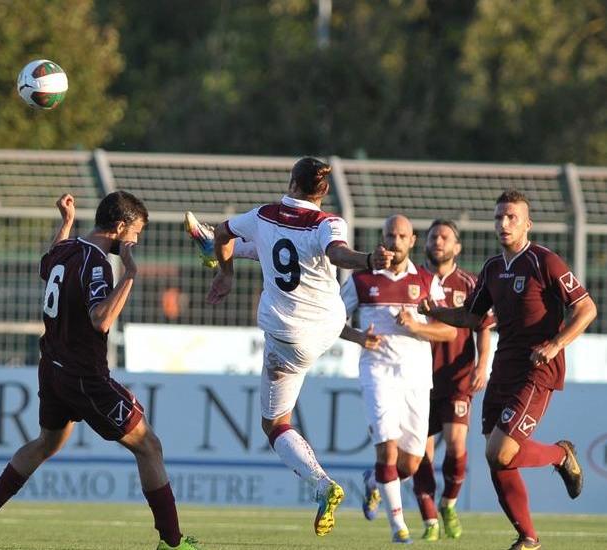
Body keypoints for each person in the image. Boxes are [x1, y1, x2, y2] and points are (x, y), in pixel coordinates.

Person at [0, 192, 201, 550]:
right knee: (149, 447)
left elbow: (47, 263)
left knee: (47, 443)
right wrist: (132, 274)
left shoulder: (67, 249)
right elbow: (101, 319)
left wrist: (66, 222)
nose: (135, 241)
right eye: (135, 232)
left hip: (53, 368)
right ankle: (172, 543)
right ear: (120, 227)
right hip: (83, 375)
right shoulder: (98, 264)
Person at [191, 156, 394, 537]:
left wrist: (225, 272)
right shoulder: (330, 222)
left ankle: (322, 484)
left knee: (274, 424)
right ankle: (215, 249)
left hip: (288, 338)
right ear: (325, 191)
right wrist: (368, 259)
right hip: (329, 325)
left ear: (292, 183)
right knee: (263, 249)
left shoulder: (264, 214)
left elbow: (223, 232)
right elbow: (337, 254)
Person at [421, 190, 594, 550]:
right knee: (496, 458)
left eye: (511, 217)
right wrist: (432, 311)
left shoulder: (544, 262)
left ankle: (561, 454)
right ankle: (528, 538)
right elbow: (471, 317)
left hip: (538, 368)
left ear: (527, 224)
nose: (503, 223)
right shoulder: (493, 269)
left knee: (500, 452)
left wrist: (555, 344)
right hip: (504, 369)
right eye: (499, 217)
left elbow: (587, 308)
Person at [339, 214, 456, 544]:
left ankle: (374, 483)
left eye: (402, 236)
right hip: (377, 373)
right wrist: (359, 337)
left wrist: (417, 326)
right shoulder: (362, 279)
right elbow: (332, 319)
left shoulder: (425, 281)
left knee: (410, 462)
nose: (395, 241)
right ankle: (398, 527)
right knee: (387, 452)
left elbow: (448, 330)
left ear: (412, 241)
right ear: (383, 236)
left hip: (417, 379)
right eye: (390, 235)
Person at [411, 219, 494, 541]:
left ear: (457, 246)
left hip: (458, 377)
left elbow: (484, 327)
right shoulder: (414, 279)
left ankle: (449, 503)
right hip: (417, 379)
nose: (438, 241)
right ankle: (430, 520)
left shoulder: (470, 284)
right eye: (433, 236)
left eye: (445, 237)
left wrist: (482, 365)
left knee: (457, 445)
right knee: (421, 454)